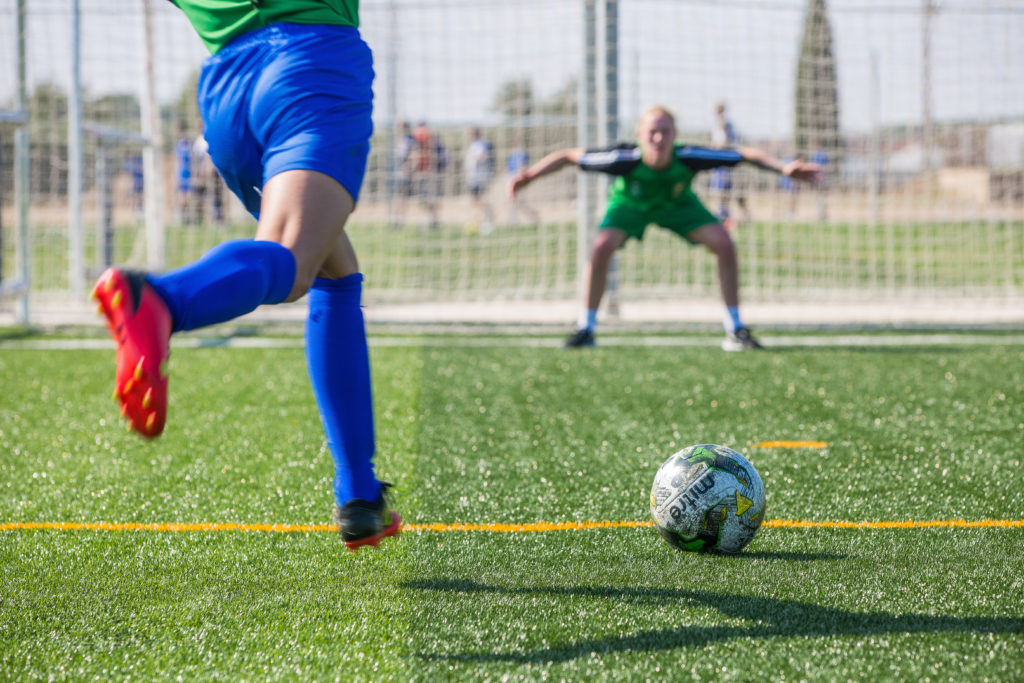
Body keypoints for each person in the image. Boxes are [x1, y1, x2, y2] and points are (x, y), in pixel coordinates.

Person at [91, 1, 400, 551]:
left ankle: (359, 492)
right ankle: (159, 300)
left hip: (227, 92)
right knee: (290, 256)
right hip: (310, 64)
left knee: (334, 268)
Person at [509, 105, 820, 351]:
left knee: (724, 244)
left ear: (675, 135)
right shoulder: (623, 159)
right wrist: (531, 176)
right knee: (601, 246)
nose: (658, 138)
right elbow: (568, 156)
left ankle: (735, 329)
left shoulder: (689, 156)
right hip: (630, 205)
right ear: (640, 135)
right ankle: (585, 328)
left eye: (665, 132)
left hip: (678, 206)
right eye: (652, 132)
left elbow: (743, 154)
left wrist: (784, 168)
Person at [709, 101, 751, 230]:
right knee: (722, 194)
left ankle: (735, 218)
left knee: (727, 193)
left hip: (726, 162)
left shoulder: (725, 123)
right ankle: (727, 217)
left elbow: (725, 142)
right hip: (721, 162)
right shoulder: (720, 124)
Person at [463, 126, 495, 232]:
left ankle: (488, 219)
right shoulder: (474, 144)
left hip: (480, 178)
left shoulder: (481, 144)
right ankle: (479, 221)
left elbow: (483, 155)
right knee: (476, 201)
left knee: (480, 200)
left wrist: (476, 158)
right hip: (473, 177)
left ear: (474, 133)